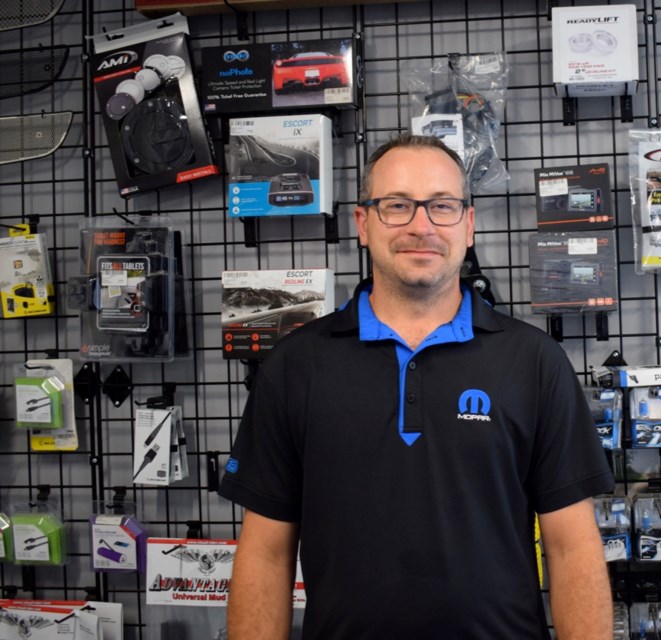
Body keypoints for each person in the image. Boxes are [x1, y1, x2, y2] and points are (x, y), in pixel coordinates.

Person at [219, 133, 615, 639]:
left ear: (468, 225)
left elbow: (572, 546)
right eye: (397, 206)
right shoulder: (295, 366)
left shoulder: (534, 362)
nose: (421, 225)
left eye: (442, 206)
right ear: (363, 223)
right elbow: (266, 552)